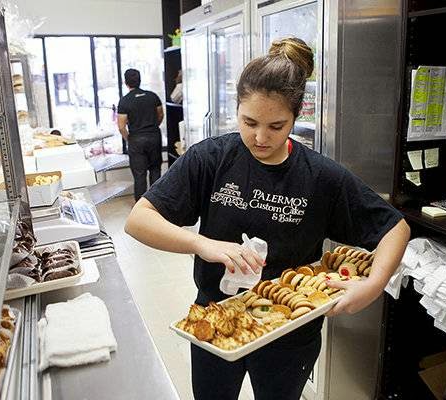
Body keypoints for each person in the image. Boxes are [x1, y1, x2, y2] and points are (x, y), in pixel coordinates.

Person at [124, 37, 410, 400]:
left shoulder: (320, 176)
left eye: (276, 126)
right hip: (216, 316)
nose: (260, 138)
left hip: (289, 329)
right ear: (237, 108)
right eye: (249, 122)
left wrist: (372, 287)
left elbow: (394, 228)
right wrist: (201, 242)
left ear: (296, 115)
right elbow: (139, 219)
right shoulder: (212, 159)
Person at [117, 68, 164, 201]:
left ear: (125, 82)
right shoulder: (152, 96)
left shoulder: (125, 101)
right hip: (154, 136)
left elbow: (121, 126)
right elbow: (160, 115)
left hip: (136, 139)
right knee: (156, 170)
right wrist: (152, 127)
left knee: (139, 175)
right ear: (139, 80)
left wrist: (129, 138)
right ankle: (157, 203)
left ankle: (141, 207)